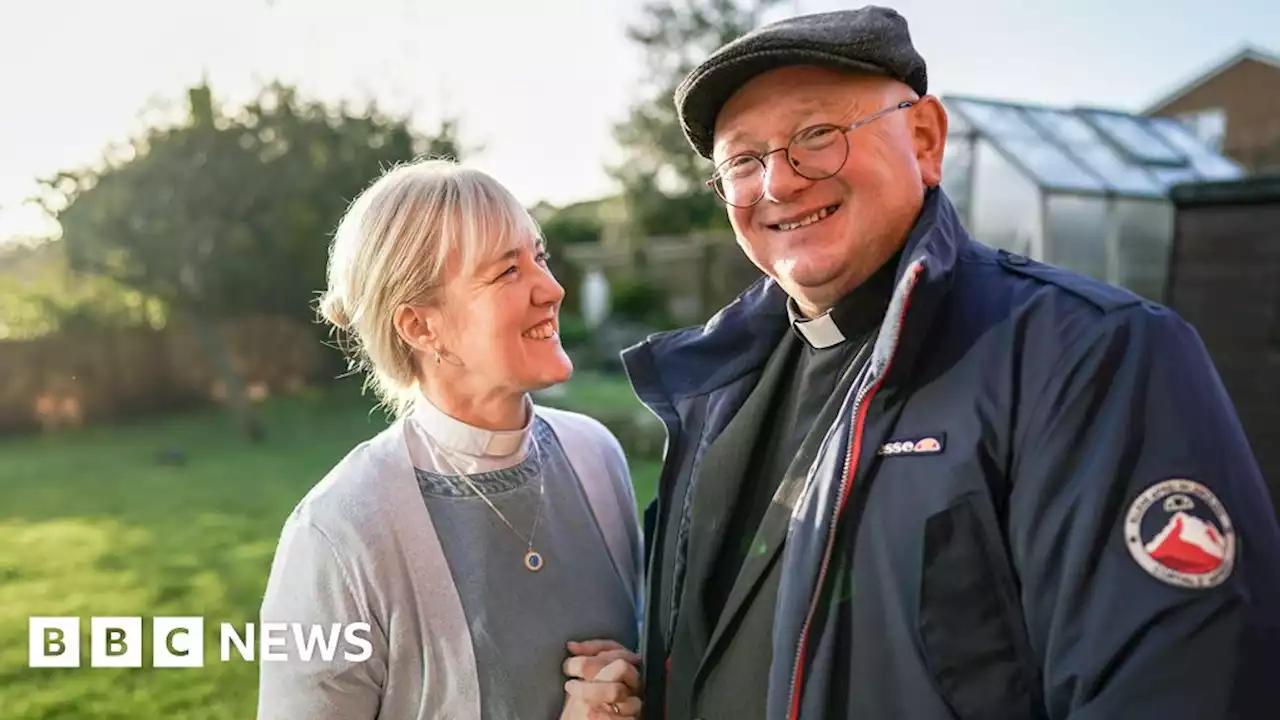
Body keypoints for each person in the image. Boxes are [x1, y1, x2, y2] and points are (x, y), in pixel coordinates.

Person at [604, 6, 1280, 719]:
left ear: (925, 139)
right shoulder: (720, 389)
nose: (778, 183)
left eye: (817, 136)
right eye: (743, 160)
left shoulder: (1090, 357)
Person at [256, 158, 644, 719]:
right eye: (508, 271)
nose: (552, 289)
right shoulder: (339, 535)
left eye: (540, 257)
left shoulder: (596, 457)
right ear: (420, 326)